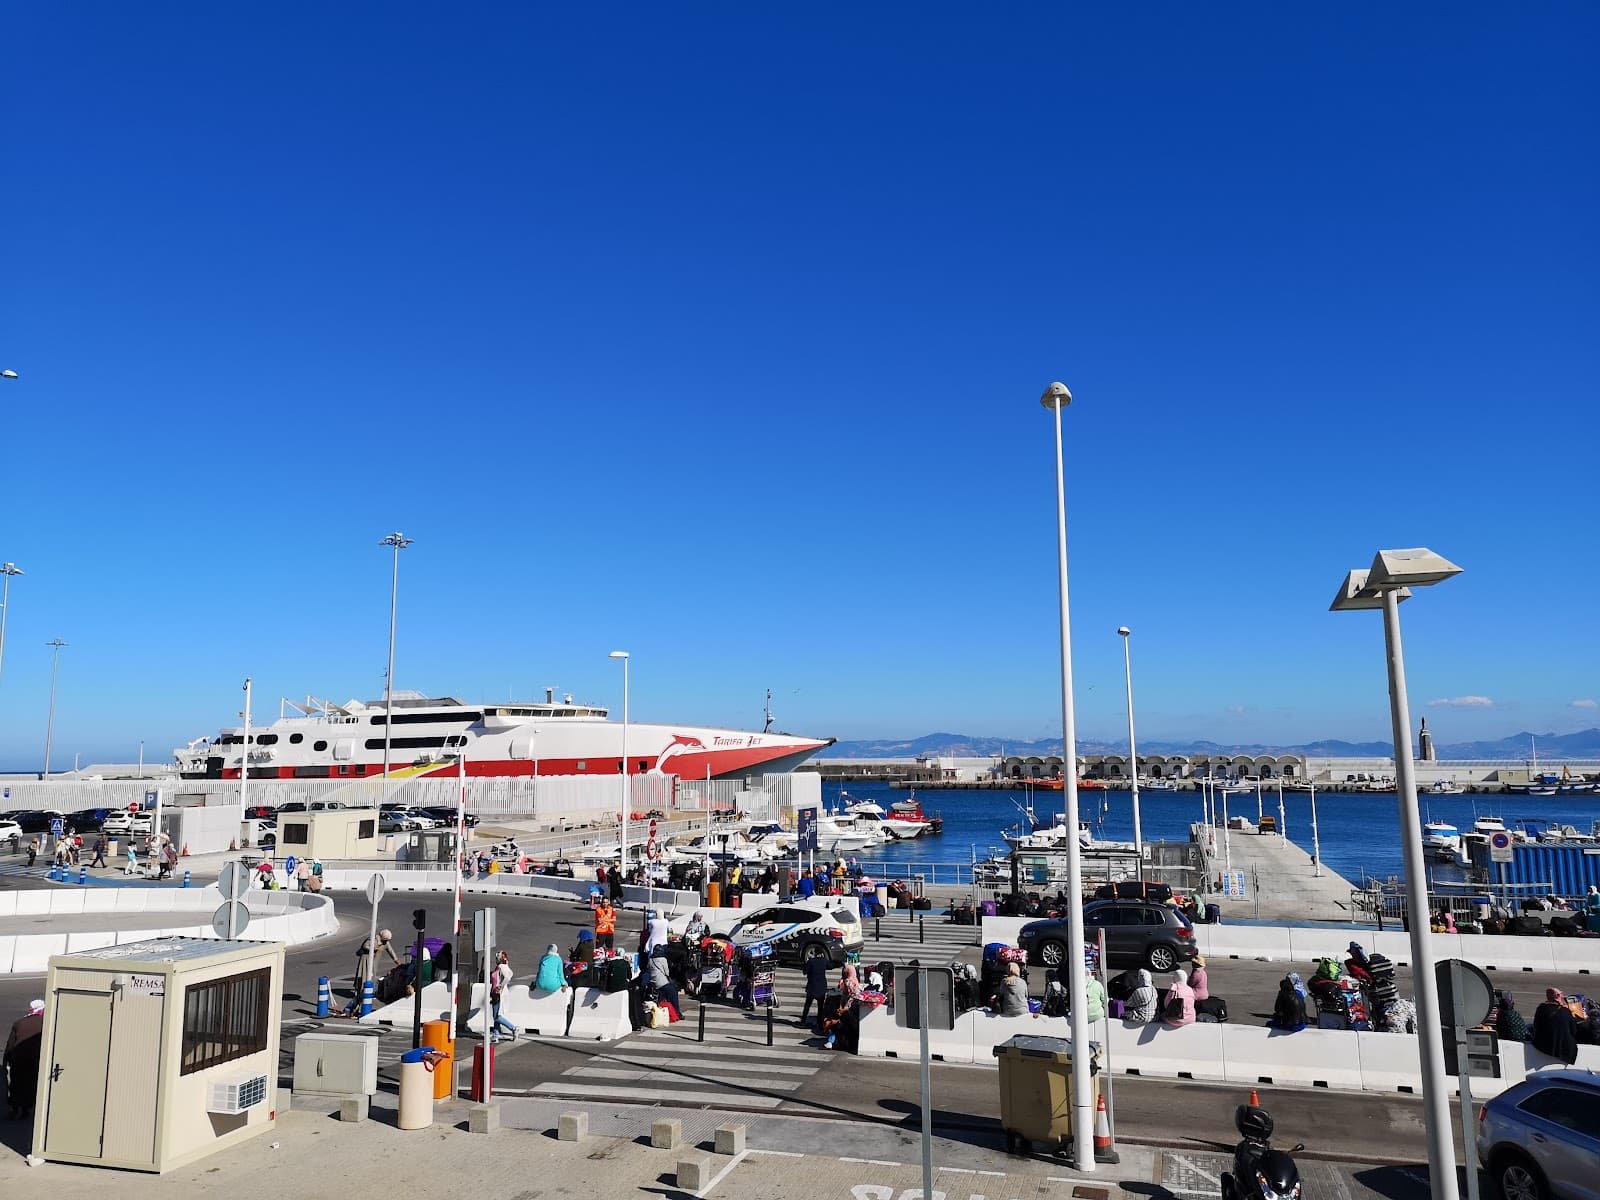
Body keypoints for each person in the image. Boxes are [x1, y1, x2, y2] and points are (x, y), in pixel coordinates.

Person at [5, 1000, 44, 1120]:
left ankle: (15, 1108)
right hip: (34, 1058)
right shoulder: (45, 1022)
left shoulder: (19, 1022)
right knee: (30, 1083)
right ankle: (26, 1109)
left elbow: (10, 1044)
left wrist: (7, 1059)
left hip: (18, 1058)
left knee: (16, 1083)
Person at [349, 929, 402, 1013]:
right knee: (364, 977)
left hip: (374, 962)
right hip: (366, 960)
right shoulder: (373, 939)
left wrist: (396, 960)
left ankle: (367, 993)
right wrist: (374, 948)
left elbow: (391, 951)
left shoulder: (385, 943)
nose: (386, 941)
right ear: (382, 937)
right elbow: (365, 946)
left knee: (372, 977)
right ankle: (360, 994)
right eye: (386, 939)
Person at [1531, 988, 1579, 1064]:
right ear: (1558, 996)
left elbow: (1536, 1025)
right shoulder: (1566, 1011)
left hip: (1542, 1045)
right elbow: (1573, 1031)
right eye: (1561, 994)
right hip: (1565, 1050)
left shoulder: (1541, 1008)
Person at [799, 948, 832, 1028]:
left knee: (807, 1005)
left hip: (812, 986)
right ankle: (819, 1023)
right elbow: (830, 966)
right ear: (821, 954)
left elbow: (804, 972)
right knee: (820, 1007)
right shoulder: (824, 961)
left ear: (815, 953)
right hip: (821, 987)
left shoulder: (811, 961)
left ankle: (803, 1021)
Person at [489, 951, 517, 1042]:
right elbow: (511, 973)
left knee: (496, 1016)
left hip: (498, 993)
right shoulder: (504, 966)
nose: (496, 959)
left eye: (497, 957)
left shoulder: (501, 967)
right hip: (496, 993)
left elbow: (508, 977)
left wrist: (500, 986)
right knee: (497, 1014)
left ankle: (513, 1028)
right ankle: (495, 1034)